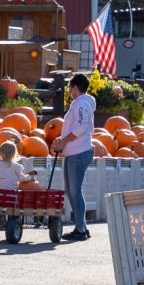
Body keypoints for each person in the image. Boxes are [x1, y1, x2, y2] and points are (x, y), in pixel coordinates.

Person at [52, 73, 95, 241]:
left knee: (75, 191)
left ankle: (80, 229)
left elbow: (81, 127)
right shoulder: (79, 103)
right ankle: (81, 226)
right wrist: (62, 142)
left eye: (70, 87)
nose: (69, 90)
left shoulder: (82, 103)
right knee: (71, 190)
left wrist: (64, 142)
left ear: (76, 88)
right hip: (73, 151)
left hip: (80, 151)